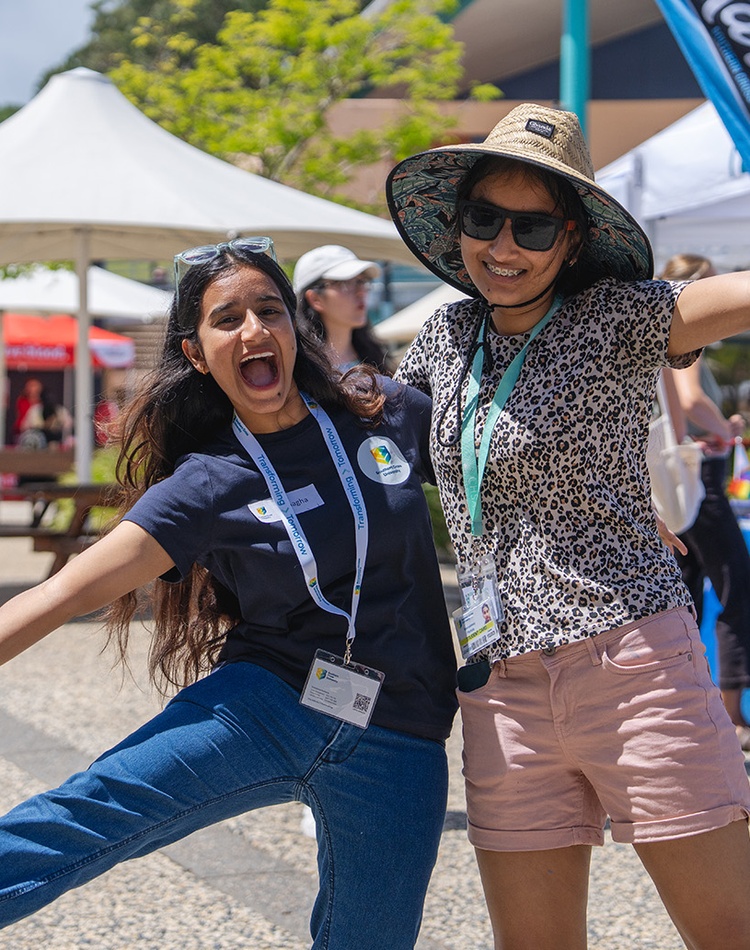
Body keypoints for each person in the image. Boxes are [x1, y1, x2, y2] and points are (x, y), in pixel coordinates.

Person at [0, 238, 458, 949]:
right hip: (269, 704)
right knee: (87, 816)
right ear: (194, 352)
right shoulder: (205, 483)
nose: (252, 330)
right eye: (226, 319)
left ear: (293, 327)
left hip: (401, 731)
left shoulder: (381, 411)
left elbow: (500, 470)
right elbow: (61, 596)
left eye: (268, 310)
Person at [386, 102, 750, 950]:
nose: (503, 247)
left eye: (533, 227)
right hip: (497, 687)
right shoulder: (443, 337)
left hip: (630, 665)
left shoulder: (621, 317)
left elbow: (734, 296)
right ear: (458, 223)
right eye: (485, 220)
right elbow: (369, 445)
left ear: (573, 241)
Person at [660, 253, 750, 748]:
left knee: (686, 597)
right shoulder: (683, 326)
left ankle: (689, 708)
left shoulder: (662, 329)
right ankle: (731, 713)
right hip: (697, 480)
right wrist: (727, 430)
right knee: (737, 587)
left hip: (683, 480)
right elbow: (690, 399)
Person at [293, 244, 394, 373]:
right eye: (345, 283)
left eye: (361, 281)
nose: (361, 292)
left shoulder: (378, 358)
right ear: (315, 299)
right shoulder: (297, 367)